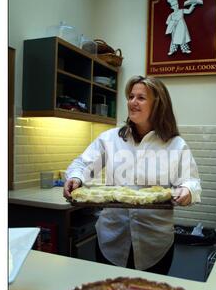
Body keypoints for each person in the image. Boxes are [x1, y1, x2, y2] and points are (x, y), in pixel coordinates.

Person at [64, 75, 201, 274]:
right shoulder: (110, 139)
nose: (132, 102)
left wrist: (187, 189)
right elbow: (82, 165)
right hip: (111, 240)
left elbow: (191, 181)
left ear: (158, 104)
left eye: (141, 98)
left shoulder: (175, 145)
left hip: (154, 245)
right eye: (130, 96)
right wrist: (76, 177)